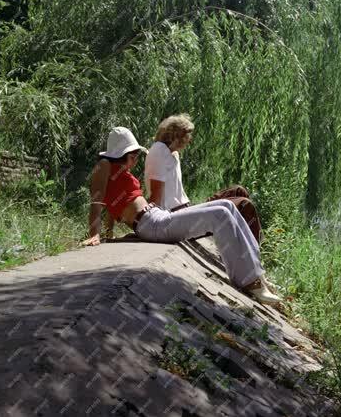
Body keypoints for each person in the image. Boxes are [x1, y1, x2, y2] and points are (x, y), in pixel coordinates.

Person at [81, 126, 281, 304]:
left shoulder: (120, 172)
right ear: (119, 154)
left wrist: (109, 232)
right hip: (150, 224)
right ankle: (248, 281)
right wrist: (94, 233)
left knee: (227, 206)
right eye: (132, 156)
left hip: (155, 216)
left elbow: (111, 205)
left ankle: (257, 272)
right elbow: (98, 200)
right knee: (220, 214)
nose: (135, 161)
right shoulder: (104, 165)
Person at [144, 114, 264, 243]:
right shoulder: (159, 151)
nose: (189, 140)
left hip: (186, 209)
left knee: (238, 191)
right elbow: (155, 195)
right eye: (187, 135)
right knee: (244, 204)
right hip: (174, 216)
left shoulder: (172, 153)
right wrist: (151, 224)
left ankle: (249, 244)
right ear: (177, 136)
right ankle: (254, 251)